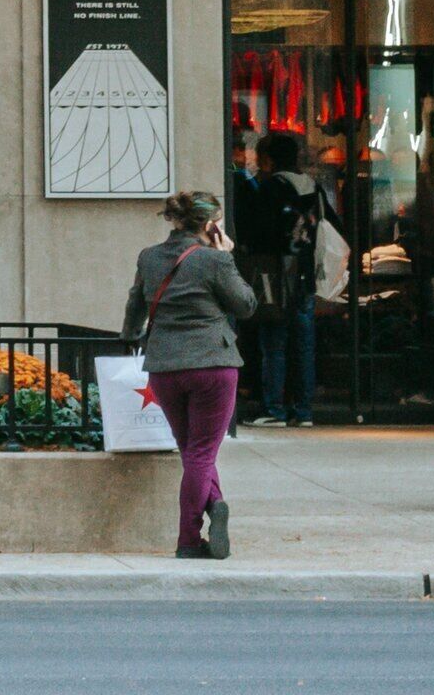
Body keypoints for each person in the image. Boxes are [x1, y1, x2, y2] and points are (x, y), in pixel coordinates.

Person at [123, 187, 257, 560]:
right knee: (201, 453)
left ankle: (215, 504)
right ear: (211, 224)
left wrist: (129, 336)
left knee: (192, 451)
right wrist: (227, 257)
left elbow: (135, 307)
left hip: (165, 367)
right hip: (213, 364)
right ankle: (187, 540)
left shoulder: (149, 257)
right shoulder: (215, 260)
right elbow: (246, 305)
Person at [230, 130, 322, 425]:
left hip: (275, 273)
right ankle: (304, 410)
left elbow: (256, 232)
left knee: (273, 342)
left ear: (269, 159)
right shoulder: (312, 185)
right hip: (305, 271)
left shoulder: (271, 188)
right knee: (304, 344)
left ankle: (274, 409)